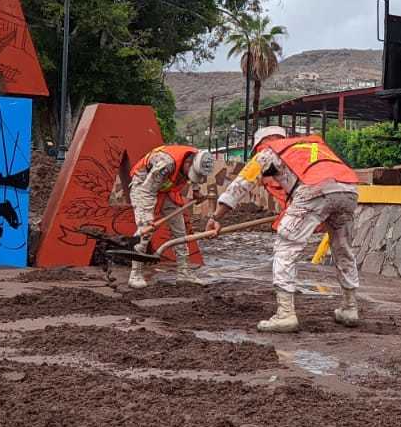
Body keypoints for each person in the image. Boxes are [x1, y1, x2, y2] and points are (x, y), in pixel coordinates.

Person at [205, 126, 360, 332]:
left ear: (262, 143)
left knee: (286, 249)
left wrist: (216, 217)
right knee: (343, 249)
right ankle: (350, 308)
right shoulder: (307, 147)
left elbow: (241, 185)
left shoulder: (270, 151)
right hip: (349, 190)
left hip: (313, 189)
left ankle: (285, 314)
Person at [126, 144, 217, 289]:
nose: (191, 176)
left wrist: (196, 190)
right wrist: (147, 218)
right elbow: (147, 191)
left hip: (167, 188)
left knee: (180, 231)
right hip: (144, 185)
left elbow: (195, 174)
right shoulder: (166, 164)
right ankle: (135, 274)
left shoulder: (199, 158)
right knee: (145, 231)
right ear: (188, 162)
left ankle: (184, 273)